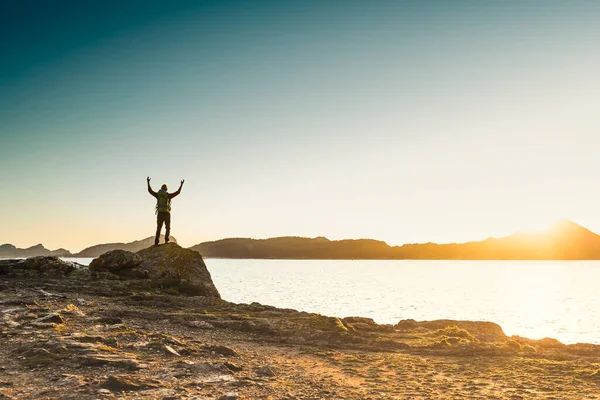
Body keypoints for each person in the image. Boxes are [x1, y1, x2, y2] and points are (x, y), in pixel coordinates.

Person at [147, 177, 184, 245]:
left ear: (161, 189)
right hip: (167, 213)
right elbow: (178, 192)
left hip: (160, 213)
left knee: (159, 228)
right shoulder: (168, 195)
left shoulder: (158, 195)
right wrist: (181, 184)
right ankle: (166, 240)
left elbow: (150, 190)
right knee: (167, 227)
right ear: (166, 189)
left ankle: (156, 242)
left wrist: (148, 182)